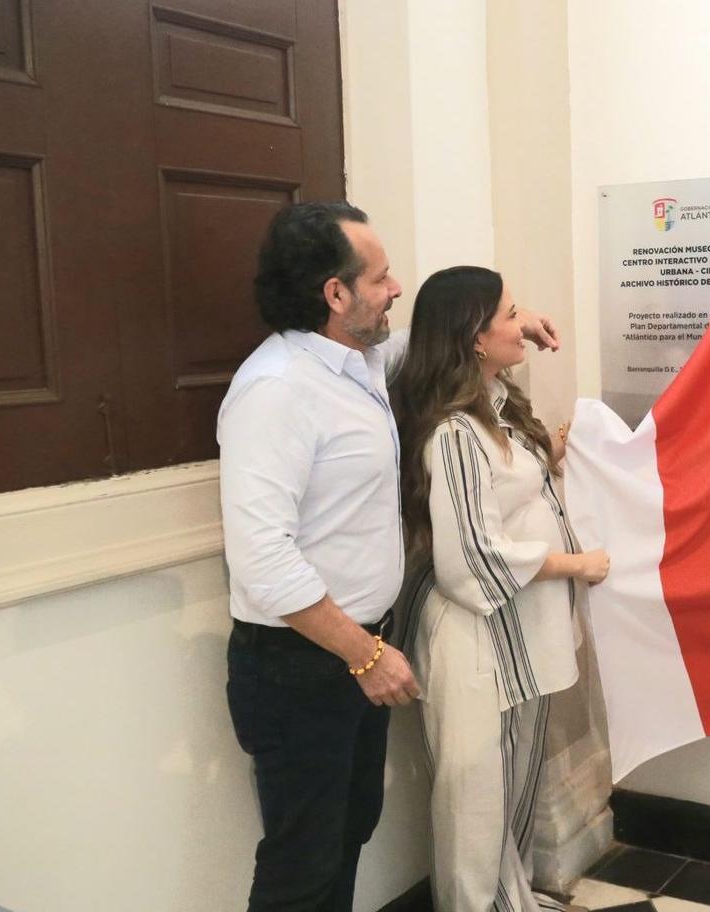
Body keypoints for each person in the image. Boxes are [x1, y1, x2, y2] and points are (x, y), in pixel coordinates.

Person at [218, 201, 421, 912]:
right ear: (335, 293)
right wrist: (364, 655)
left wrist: (507, 322)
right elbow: (262, 558)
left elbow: (416, 340)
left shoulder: (355, 360)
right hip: (300, 665)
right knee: (300, 867)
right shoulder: (276, 390)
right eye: (381, 276)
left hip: (351, 649)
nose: (396, 287)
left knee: (348, 831)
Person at [389, 266, 609, 912]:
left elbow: (505, 495)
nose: (527, 323)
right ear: (473, 337)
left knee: (511, 781)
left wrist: (552, 456)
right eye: (511, 315)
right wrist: (576, 565)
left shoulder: (497, 404)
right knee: (474, 797)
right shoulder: (453, 432)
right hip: (471, 635)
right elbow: (474, 554)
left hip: (517, 629)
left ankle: (506, 901)